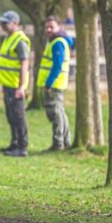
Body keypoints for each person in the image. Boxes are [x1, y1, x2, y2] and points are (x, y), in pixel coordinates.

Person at [37, 16, 75, 151]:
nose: (48, 29)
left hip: (54, 84)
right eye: (46, 27)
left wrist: (48, 83)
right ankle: (65, 141)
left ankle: (58, 143)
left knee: (55, 113)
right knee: (60, 112)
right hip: (56, 83)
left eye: (51, 27)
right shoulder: (56, 41)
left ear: (58, 27)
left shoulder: (57, 42)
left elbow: (57, 65)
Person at [0, 10, 30, 157]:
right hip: (7, 84)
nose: (2, 25)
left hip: (16, 85)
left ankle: (22, 147)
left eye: (5, 22)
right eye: (2, 22)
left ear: (15, 23)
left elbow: (24, 64)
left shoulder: (20, 40)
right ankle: (14, 143)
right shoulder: (8, 38)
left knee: (18, 116)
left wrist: (21, 87)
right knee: (10, 116)